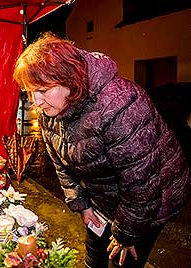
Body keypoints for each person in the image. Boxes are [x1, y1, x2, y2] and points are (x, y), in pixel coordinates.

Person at [13, 33, 190, 268]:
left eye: (43, 90)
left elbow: (142, 184)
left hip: (152, 199)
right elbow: (59, 161)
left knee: (122, 259)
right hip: (104, 194)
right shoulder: (51, 110)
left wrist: (126, 233)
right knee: (94, 254)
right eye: (30, 92)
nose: (37, 102)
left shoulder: (120, 105)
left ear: (70, 80)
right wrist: (83, 205)